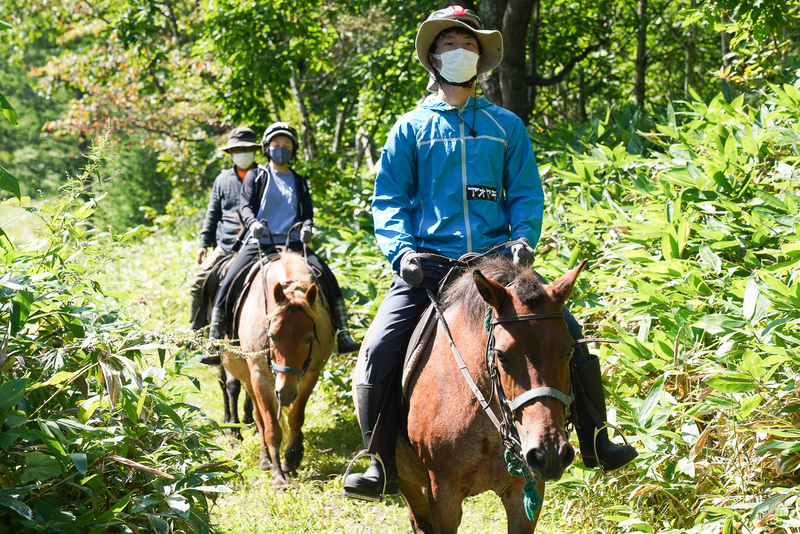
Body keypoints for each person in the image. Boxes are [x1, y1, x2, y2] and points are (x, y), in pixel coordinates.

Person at [342, 5, 637, 502]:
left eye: (469, 44)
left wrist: (524, 235)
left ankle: (594, 440)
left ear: (481, 58)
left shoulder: (506, 126)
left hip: (499, 268)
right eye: (448, 44)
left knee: (572, 337)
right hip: (430, 268)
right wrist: (401, 254)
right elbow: (389, 199)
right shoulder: (409, 129)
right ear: (433, 58)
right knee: (376, 350)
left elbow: (525, 192)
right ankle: (377, 461)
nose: (459, 52)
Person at [208, 122, 361, 355]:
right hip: (259, 241)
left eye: (286, 145)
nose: (281, 149)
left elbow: (307, 214)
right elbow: (246, 207)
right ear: (267, 148)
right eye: (276, 144)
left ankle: (343, 333)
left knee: (327, 276)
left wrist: (307, 227)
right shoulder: (256, 176)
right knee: (229, 280)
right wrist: (253, 224)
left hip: (293, 244)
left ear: (294, 149)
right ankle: (215, 338)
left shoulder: (299, 181)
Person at [189, 126, 260, 333]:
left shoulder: (264, 176)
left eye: (246, 149)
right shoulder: (222, 180)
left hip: (257, 245)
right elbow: (213, 214)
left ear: (254, 150)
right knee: (197, 283)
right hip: (226, 245)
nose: (241, 154)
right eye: (237, 150)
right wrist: (204, 243)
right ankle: (196, 334)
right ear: (230, 153)